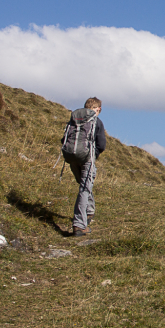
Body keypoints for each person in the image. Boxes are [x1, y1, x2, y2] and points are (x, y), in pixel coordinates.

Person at [64, 97, 107, 237]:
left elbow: (64, 138)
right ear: (98, 109)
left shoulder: (75, 118)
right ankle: (79, 225)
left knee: (83, 185)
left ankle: (89, 210)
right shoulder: (96, 121)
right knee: (84, 188)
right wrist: (93, 155)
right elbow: (101, 144)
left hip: (71, 156)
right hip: (88, 157)